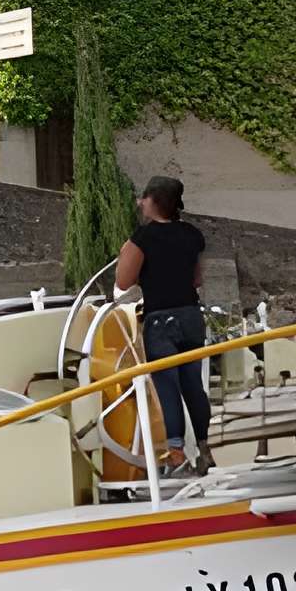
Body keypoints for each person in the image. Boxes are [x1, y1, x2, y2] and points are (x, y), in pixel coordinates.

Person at [113, 175, 209, 470]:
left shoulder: (143, 238)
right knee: (193, 384)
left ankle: (176, 455)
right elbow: (197, 279)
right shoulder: (192, 234)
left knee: (167, 385)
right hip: (192, 316)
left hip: (160, 319)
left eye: (143, 198)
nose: (140, 203)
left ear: (152, 200)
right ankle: (207, 449)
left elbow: (123, 280)